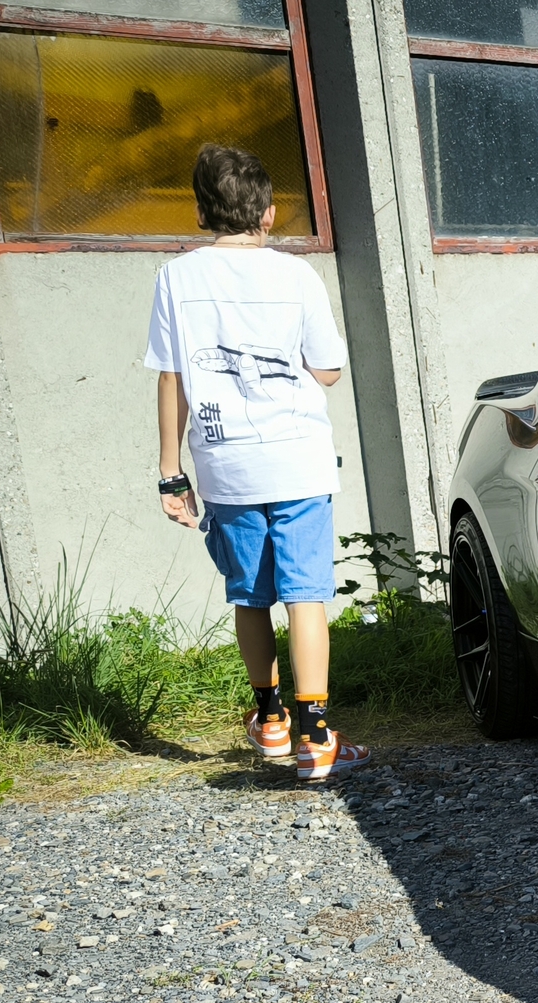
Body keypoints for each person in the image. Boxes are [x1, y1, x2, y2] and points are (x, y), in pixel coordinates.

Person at [145, 143, 367, 779]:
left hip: (226, 465)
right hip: (297, 460)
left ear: (200, 212)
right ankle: (316, 735)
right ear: (268, 214)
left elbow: (171, 379)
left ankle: (269, 721)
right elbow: (326, 371)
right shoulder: (298, 277)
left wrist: (170, 474)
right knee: (306, 596)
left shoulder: (176, 278)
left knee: (250, 596)